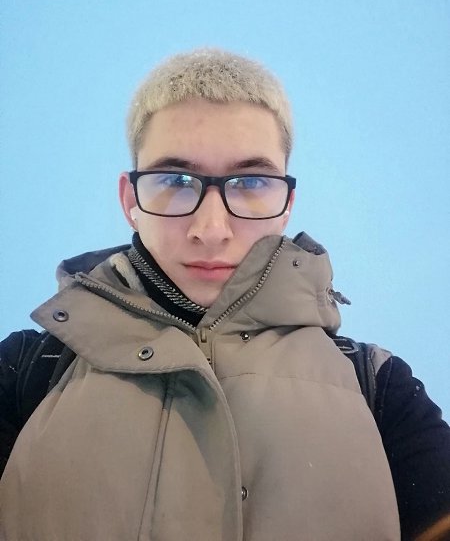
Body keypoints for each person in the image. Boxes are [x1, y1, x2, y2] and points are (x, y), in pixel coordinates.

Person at [0, 49, 449, 541]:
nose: (211, 229)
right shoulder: (26, 371)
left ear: (287, 204)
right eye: (175, 180)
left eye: (250, 181)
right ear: (130, 200)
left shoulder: (379, 386)